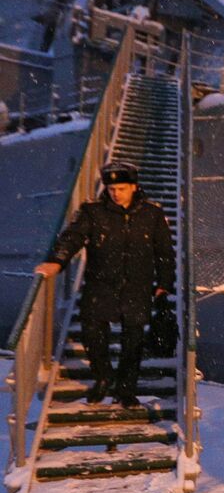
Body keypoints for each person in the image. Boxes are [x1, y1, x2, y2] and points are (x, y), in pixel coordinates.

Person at [34, 160, 175, 409]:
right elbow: (73, 237)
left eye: (121, 188)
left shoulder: (152, 214)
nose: (115, 193)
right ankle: (103, 377)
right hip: (100, 286)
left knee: (133, 342)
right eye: (111, 189)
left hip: (137, 287)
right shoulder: (93, 212)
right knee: (92, 335)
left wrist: (164, 284)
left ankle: (126, 389)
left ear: (134, 186)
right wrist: (57, 262)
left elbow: (164, 252)